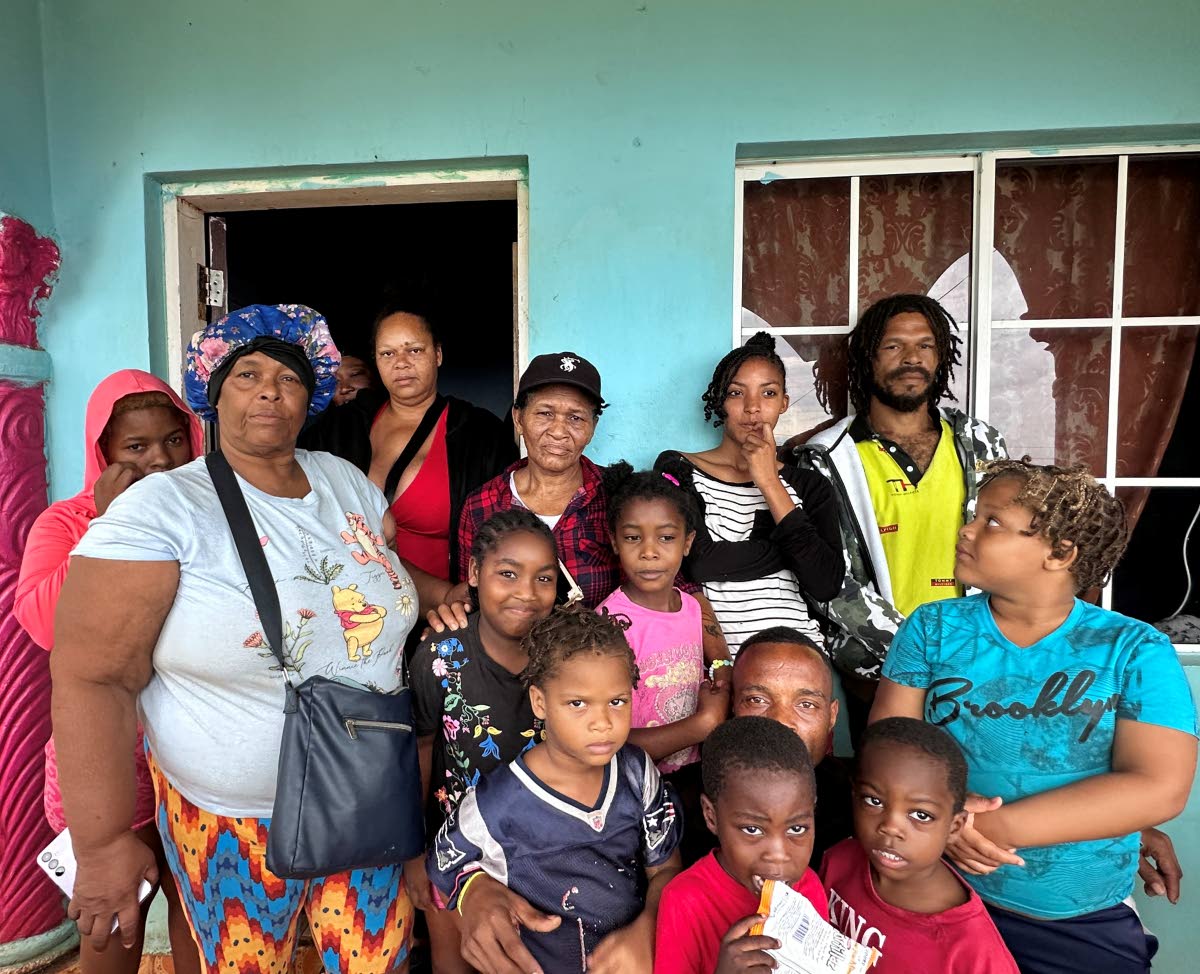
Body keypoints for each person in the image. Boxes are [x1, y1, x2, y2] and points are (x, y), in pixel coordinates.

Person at [52, 305, 424, 974]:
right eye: (247, 374)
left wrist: (453, 596)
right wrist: (103, 841)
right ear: (211, 392)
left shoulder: (343, 480)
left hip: (364, 796)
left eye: (288, 378)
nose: (269, 392)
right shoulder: (163, 509)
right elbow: (93, 676)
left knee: (377, 963)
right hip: (234, 823)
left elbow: (380, 567)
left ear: (310, 397)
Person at [871, 460, 1198, 973]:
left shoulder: (1133, 650)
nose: (968, 529)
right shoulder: (933, 628)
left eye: (992, 522)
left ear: (1060, 553)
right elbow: (888, 749)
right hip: (936, 890)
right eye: (974, 516)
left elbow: (1159, 786)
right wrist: (941, 828)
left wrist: (990, 826)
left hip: (1076, 914)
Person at [15, 370, 203, 974]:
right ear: (103, 454)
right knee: (110, 923)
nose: (159, 461)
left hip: (196, 752)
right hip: (108, 758)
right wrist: (110, 527)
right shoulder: (67, 523)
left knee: (196, 915)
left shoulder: (210, 515)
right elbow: (47, 625)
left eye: (173, 441)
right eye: (136, 448)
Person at [427, 606, 682, 974]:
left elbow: (666, 869)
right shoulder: (497, 803)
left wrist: (647, 930)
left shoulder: (636, 773)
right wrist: (474, 890)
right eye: (577, 703)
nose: (602, 723)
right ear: (540, 703)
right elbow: (443, 868)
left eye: (617, 701)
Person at [793, 294, 1007, 729]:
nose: (912, 358)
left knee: (985, 791)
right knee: (894, 789)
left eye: (925, 346)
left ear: (941, 357)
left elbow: (1011, 547)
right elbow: (827, 578)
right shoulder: (826, 458)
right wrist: (915, 648)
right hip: (877, 670)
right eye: (894, 346)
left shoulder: (981, 445)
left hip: (980, 663)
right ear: (867, 359)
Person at [405, 509, 559, 974]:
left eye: (544, 578)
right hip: (453, 851)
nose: (526, 594)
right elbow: (422, 747)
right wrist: (416, 852)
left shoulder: (563, 655)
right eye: (507, 574)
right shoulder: (441, 653)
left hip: (543, 855)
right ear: (474, 572)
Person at [301, 300, 516, 584]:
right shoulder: (343, 426)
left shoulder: (479, 433)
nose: (401, 362)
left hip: (444, 611)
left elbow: (508, 534)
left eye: (414, 350)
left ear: (437, 354)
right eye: (387, 353)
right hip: (353, 605)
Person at [655, 331, 844, 654]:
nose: (753, 408)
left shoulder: (809, 485)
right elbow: (699, 563)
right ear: (720, 401)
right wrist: (790, 553)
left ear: (784, 402)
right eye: (736, 393)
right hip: (713, 660)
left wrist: (769, 481)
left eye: (768, 393)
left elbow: (825, 582)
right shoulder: (679, 467)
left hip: (799, 652)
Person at [598, 465, 733, 862]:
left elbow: (717, 648)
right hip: (635, 786)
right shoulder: (610, 625)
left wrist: (722, 668)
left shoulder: (692, 607)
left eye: (667, 537)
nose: (650, 551)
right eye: (633, 537)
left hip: (691, 779)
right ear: (613, 541)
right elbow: (613, 742)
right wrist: (701, 725)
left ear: (688, 542)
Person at [820, 717, 1018, 972]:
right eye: (874, 801)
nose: (890, 826)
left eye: (921, 815)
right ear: (854, 796)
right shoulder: (839, 859)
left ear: (954, 827)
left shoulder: (973, 952)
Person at [653, 716, 826, 974]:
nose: (778, 856)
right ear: (712, 816)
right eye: (753, 830)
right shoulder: (684, 901)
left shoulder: (808, 888)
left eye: (796, 829)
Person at [456, 350, 623, 611]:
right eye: (545, 413)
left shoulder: (619, 496)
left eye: (575, 418)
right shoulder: (481, 506)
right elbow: (472, 598)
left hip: (601, 649)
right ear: (518, 418)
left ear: (593, 427)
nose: (558, 431)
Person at [731, 627, 853, 868]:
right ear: (732, 705)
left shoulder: (858, 804)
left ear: (832, 716)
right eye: (757, 700)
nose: (781, 720)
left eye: (806, 704)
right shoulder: (687, 802)